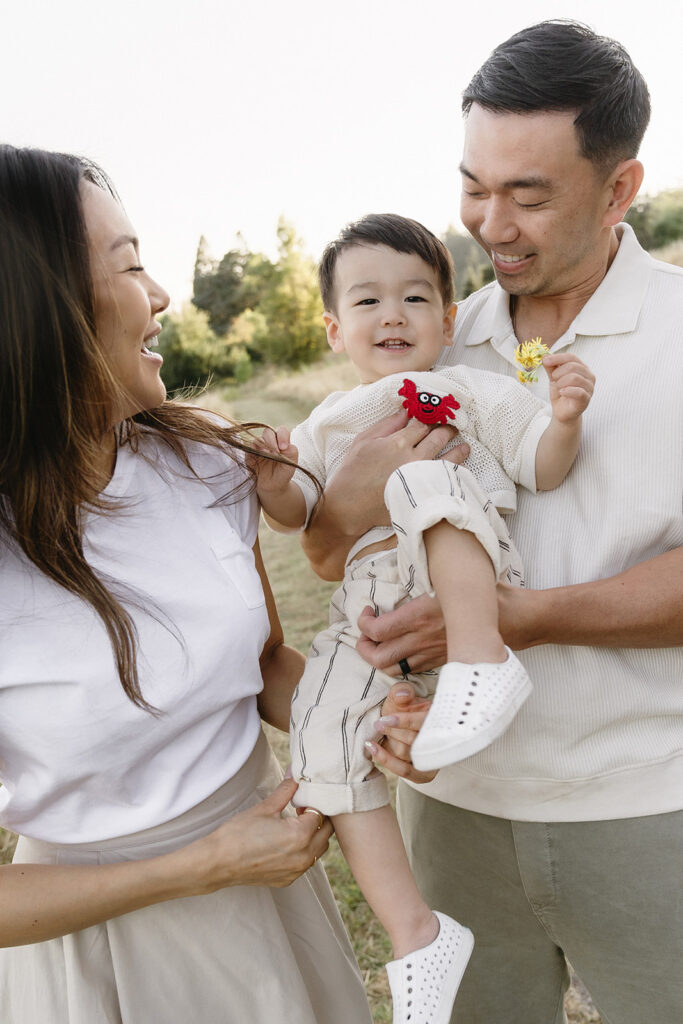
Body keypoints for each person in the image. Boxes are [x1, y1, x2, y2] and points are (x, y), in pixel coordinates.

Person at [299, 20, 683, 1024]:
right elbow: (331, 549)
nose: (489, 225)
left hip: (644, 806)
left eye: (527, 194)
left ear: (617, 190)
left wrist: (511, 615)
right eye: (472, 185)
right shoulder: (427, 334)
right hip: (449, 809)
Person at [0, 144, 379, 1024]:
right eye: (129, 264)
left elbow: (265, 665)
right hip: (104, 948)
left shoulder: (203, 462)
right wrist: (203, 865)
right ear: (37, 307)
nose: (162, 294)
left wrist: (362, 712)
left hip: (272, 902)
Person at [253, 212, 593, 1023]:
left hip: (466, 579)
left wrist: (566, 418)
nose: (394, 314)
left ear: (450, 319)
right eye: (368, 301)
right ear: (335, 328)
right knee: (320, 730)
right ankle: (416, 935)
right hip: (369, 611)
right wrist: (273, 477)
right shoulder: (327, 420)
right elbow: (303, 513)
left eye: (414, 297)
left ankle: (482, 662)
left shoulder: (474, 390)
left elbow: (539, 463)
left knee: (414, 482)